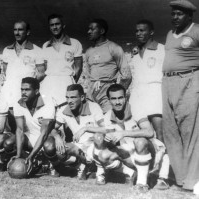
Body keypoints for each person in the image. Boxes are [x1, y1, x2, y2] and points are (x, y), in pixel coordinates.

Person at [84, 84, 168, 192]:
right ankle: (129, 173)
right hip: (131, 155)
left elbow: (149, 132)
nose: (117, 102)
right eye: (113, 99)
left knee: (140, 141)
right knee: (101, 152)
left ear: (125, 97)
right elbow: (111, 140)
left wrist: (123, 133)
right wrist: (108, 139)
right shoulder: (107, 116)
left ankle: (142, 183)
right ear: (109, 100)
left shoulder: (135, 109)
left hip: (151, 153)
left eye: (120, 98)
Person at [162, 0, 199, 193]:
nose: (175, 17)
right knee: (171, 132)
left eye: (179, 14)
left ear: (190, 16)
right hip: (167, 83)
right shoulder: (170, 34)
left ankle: (192, 181)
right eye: (173, 14)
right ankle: (181, 178)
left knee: (190, 133)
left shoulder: (197, 31)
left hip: (189, 82)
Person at [129, 19, 169, 189]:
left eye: (142, 30)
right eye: (137, 30)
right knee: (141, 135)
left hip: (155, 94)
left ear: (151, 32)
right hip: (138, 96)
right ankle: (141, 170)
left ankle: (163, 176)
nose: (139, 33)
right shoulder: (135, 52)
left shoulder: (161, 49)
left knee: (160, 136)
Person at [42, 84, 107, 180]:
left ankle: (96, 168)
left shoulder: (94, 107)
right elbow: (50, 128)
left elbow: (107, 129)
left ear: (82, 97)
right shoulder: (63, 110)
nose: (69, 101)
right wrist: (57, 137)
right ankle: (81, 166)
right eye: (67, 97)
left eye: (73, 97)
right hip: (79, 146)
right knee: (60, 151)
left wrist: (85, 128)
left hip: (95, 145)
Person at [3, 77, 55, 174]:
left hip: (46, 137)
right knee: (8, 143)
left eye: (27, 90)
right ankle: (29, 160)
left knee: (50, 147)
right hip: (29, 137)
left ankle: (52, 165)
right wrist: (18, 154)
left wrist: (31, 156)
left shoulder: (48, 103)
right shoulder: (18, 103)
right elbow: (19, 130)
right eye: (22, 89)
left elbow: (44, 134)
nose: (23, 92)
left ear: (36, 91)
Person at [86, 18, 131, 113]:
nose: (88, 31)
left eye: (92, 29)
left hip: (107, 93)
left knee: (110, 122)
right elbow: (89, 74)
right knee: (92, 123)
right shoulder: (88, 51)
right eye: (88, 29)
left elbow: (126, 76)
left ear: (102, 31)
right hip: (91, 94)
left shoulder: (114, 48)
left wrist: (115, 93)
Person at [0, 20, 45, 109]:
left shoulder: (37, 50)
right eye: (15, 30)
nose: (17, 33)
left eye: (20, 30)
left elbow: (41, 73)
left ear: (27, 32)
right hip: (9, 91)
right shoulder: (7, 50)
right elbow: (5, 71)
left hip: (25, 92)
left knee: (23, 119)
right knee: (9, 117)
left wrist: (29, 86)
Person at [40, 14, 83, 107]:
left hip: (66, 80)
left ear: (63, 25)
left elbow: (78, 68)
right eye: (52, 25)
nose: (55, 27)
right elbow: (45, 68)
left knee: (65, 112)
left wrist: (70, 81)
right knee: (48, 112)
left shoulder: (75, 43)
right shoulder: (45, 46)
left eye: (57, 24)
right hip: (49, 82)